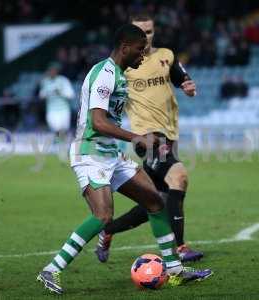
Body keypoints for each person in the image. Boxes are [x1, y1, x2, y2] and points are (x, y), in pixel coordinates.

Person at [36, 24, 213, 295]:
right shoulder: (104, 74)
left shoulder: (119, 75)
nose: (142, 56)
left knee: (155, 201)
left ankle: (175, 271)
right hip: (90, 154)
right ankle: (51, 269)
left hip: (111, 155)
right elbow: (98, 122)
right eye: (140, 50)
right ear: (125, 47)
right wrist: (137, 138)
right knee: (103, 215)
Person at [95, 12, 203, 264]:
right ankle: (181, 248)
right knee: (179, 176)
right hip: (148, 137)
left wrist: (189, 86)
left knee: (154, 202)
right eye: (140, 32)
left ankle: (107, 230)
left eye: (150, 32)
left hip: (170, 133)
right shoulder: (127, 65)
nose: (146, 37)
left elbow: (183, 80)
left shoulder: (166, 55)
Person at [39, 62, 75, 157]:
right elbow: (41, 95)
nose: (51, 72)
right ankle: (61, 147)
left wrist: (60, 92)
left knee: (63, 130)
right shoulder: (45, 82)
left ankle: (63, 148)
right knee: (56, 129)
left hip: (64, 110)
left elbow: (71, 95)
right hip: (51, 110)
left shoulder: (63, 81)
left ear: (56, 71)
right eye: (50, 70)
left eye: (53, 70)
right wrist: (46, 93)